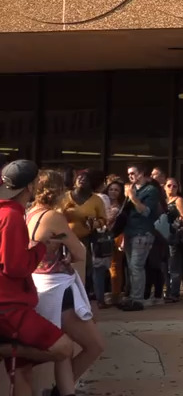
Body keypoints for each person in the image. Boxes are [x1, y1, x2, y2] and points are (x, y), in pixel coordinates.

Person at [0, 161, 77, 395]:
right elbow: (14, 267)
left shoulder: (7, 212)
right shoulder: (11, 215)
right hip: (10, 306)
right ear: (30, 186)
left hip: (9, 303)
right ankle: (4, 349)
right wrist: (40, 248)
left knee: (22, 372)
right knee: (64, 348)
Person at [27, 170, 103, 396]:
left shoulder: (29, 214)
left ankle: (62, 391)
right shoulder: (53, 217)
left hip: (37, 283)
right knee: (94, 346)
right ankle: (58, 391)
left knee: (63, 350)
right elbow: (80, 253)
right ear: (58, 190)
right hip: (58, 288)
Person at [119, 164, 162, 312]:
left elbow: (146, 211)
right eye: (128, 174)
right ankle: (132, 297)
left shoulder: (150, 190)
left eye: (133, 173)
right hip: (129, 231)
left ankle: (137, 299)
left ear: (141, 173)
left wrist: (132, 197)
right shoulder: (131, 189)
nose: (130, 176)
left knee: (137, 266)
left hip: (142, 232)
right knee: (131, 267)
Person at [59, 170, 106, 302]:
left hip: (84, 239)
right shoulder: (64, 197)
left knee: (85, 268)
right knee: (64, 266)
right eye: (79, 177)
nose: (81, 180)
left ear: (92, 183)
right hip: (63, 239)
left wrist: (94, 223)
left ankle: (83, 296)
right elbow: (54, 214)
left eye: (86, 179)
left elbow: (103, 219)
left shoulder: (97, 200)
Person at [162, 177, 183, 304]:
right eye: (169, 185)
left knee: (174, 266)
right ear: (164, 187)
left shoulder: (179, 200)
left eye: (175, 186)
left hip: (174, 236)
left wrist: (178, 222)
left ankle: (174, 293)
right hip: (162, 236)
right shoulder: (163, 201)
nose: (171, 188)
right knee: (164, 267)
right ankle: (166, 291)